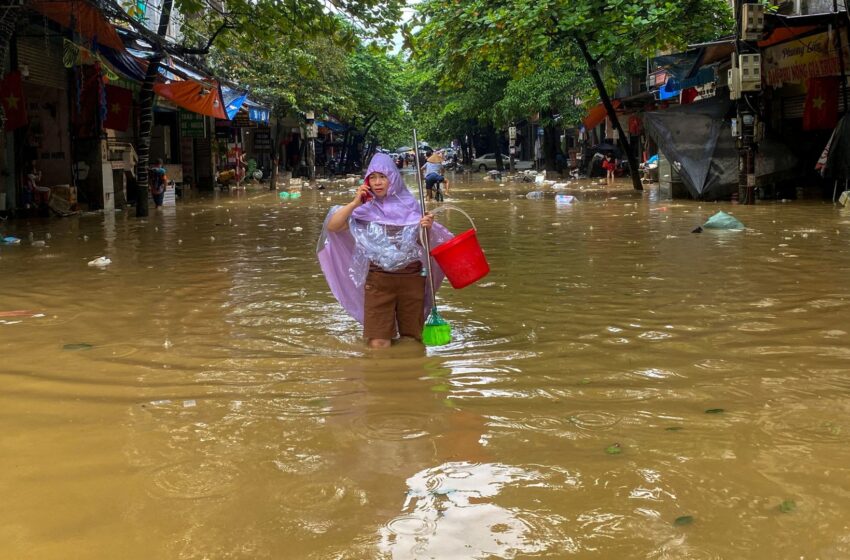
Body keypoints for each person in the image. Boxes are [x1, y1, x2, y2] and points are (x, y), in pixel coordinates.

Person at [318, 153, 453, 348]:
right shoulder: (364, 210)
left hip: (412, 278)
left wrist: (426, 227)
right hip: (378, 280)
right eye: (372, 177)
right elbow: (333, 227)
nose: (377, 182)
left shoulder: (412, 206)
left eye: (383, 177)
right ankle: (378, 375)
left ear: (393, 178)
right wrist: (356, 202)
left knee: (411, 340)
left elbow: (423, 245)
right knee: (378, 342)